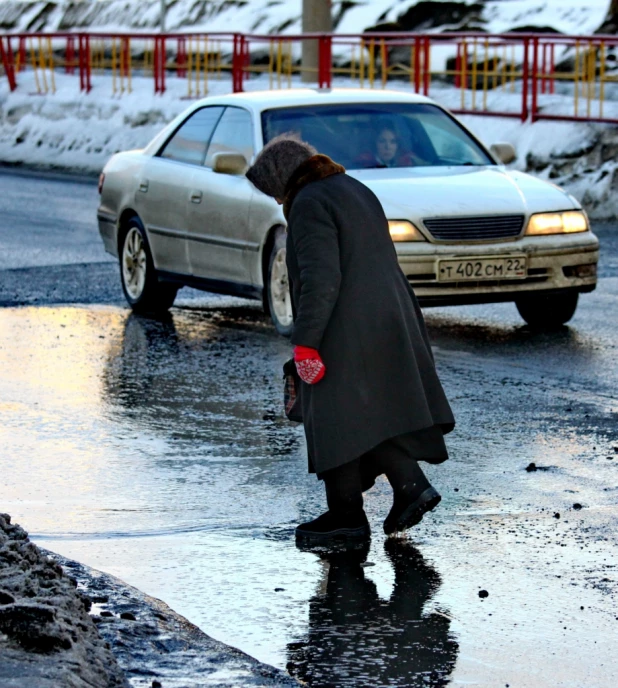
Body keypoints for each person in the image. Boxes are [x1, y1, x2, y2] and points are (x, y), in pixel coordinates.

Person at [246, 134, 454, 545]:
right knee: (364, 413)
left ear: (283, 178)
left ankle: (348, 517)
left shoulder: (308, 203)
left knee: (331, 412)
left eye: (273, 192)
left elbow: (322, 277)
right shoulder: (353, 188)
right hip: (388, 319)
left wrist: (306, 342)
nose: (276, 201)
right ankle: (407, 488)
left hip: (344, 325)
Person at [357, 122, 425, 168]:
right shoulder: (362, 164)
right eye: (382, 141)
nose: (388, 147)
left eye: (393, 142)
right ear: (375, 143)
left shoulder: (408, 162)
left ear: (398, 145)